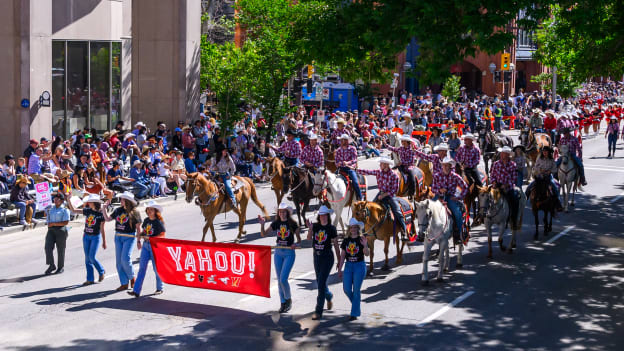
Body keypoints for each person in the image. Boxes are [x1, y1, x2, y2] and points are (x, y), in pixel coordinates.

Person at [258, 202, 301, 313]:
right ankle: (283, 303)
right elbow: (263, 234)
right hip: (278, 252)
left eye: (284, 211)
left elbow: (299, 240)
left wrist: (295, 245)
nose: (282, 213)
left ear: (287, 212)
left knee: (283, 279)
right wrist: (262, 224)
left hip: (288, 253)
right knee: (279, 280)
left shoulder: (292, 223)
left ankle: (288, 299)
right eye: (280, 211)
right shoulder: (276, 223)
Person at [306, 205, 340, 320]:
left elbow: (335, 244)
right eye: (321, 215)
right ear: (319, 216)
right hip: (317, 257)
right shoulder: (315, 226)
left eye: (325, 215)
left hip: (327, 257)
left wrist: (340, 260)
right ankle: (329, 296)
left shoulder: (331, 228)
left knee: (320, 284)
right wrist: (310, 228)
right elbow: (309, 239)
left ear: (328, 216)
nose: (323, 217)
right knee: (320, 281)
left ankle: (318, 311)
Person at [357, 157, 407, 234]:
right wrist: (355, 170)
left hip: (390, 195)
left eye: (381, 164)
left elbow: (394, 190)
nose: (380, 165)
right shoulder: (378, 172)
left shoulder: (394, 175)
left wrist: (384, 195)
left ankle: (404, 230)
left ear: (386, 165)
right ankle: (366, 229)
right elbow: (368, 172)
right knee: (368, 208)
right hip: (380, 193)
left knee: (397, 211)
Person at [103, 191, 141, 291]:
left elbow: (138, 228)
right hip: (118, 236)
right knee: (119, 262)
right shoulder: (118, 210)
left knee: (125, 259)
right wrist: (104, 209)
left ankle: (132, 277)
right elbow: (107, 219)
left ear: (127, 201)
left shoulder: (135, 212)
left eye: (123, 199)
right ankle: (124, 283)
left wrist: (138, 241)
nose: (121, 201)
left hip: (129, 237)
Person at [66, 194, 107, 285]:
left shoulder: (101, 214)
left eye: (90, 201)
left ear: (95, 203)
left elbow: (102, 228)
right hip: (86, 236)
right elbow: (74, 210)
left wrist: (104, 241)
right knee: (87, 259)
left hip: (95, 237)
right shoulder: (88, 210)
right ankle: (90, 279)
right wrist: (69, 200)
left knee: (92, 257)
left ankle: (101, 271)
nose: (89, 203)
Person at [128, 201, 166, 297]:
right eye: (148, 209)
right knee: (142, 268)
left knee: (156, 269)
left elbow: (162, 235)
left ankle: (159, 288)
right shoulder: (146, 220)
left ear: (155, 211)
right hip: (146, 246)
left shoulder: (158, 222)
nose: (149, 211)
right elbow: (145, 231)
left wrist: (152, 238)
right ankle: (136, 290)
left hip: (155, 247)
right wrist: (140, 235)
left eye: (151, 209)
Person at [337, 218, 369, 322]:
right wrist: (340, 268)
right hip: (348, 266)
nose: (353, 229)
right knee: (346, 289)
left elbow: (367, 253)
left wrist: (365, 245)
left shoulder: (361, 239)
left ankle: (354, 313)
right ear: (349, 229)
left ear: (358, 228)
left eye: (355, 227)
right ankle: (357, 306)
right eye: (352, 227)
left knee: (356, 290)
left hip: (359, 266)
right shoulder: (346, 240)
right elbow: (342, 255)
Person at [432, 156, 468, 239]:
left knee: (457, 213)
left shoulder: (455, 176)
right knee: (427, 210)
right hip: (439, 197)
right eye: (444, 165)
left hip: (451, 197)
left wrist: (459, 197)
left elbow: (465, 187)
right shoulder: (437, 176)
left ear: (450, 166)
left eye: (447, 165)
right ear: (442, 166)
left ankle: (459, 234)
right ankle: (426, 232)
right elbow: (433, 188)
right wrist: (440, 190)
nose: (446, 167)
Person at [525, 146, 563, 211]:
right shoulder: (539, 159)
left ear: (548, 152)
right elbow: (535, 167)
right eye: (543, 151)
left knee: (555, 187)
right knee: (530, 185)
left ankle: (558, 203)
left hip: (548, 176)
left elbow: (555, 169)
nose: (544, 152)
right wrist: (540, 170)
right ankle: (525, 198)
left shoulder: (551, 160)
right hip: (540, 176)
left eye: (546, 151)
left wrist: (550, 171)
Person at [490, 146, 520, 222]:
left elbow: (514, 178)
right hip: (497, 186)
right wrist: (493, 182)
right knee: (485, 197)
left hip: (508, 187)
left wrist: (506, 185)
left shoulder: (513, 164)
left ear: (508, 155)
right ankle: (484, 216)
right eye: (501, 153)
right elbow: (492, 175)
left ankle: (514, 218)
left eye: (504, 154)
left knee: (515, 199)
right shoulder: (496, 164)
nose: (501, 155)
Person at [44, 192, 71, 275]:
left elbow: (66, 222)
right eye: (55, 198)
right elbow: (47, 217)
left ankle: (60, 267)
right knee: (47, 247)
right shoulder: (51, 208)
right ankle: (51, 265)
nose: (55, 200)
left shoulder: (65, 209)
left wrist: (54, 224)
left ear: (62, 200)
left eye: (58, 199)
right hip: (51, 230)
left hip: (61, 230)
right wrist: (45, 210)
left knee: (60, 249)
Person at [335, 134, 362, 201]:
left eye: (343, 140)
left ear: (347, 141)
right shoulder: (338, 150)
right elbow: (336, 161)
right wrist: (338, 164)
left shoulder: (352, 148)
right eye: (341, 140)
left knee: (355, 182)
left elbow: (354, 159)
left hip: (350, 168)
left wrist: (347, 163)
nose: (341, 142)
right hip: (341, 169)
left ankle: (360, 197)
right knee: (330, 181)